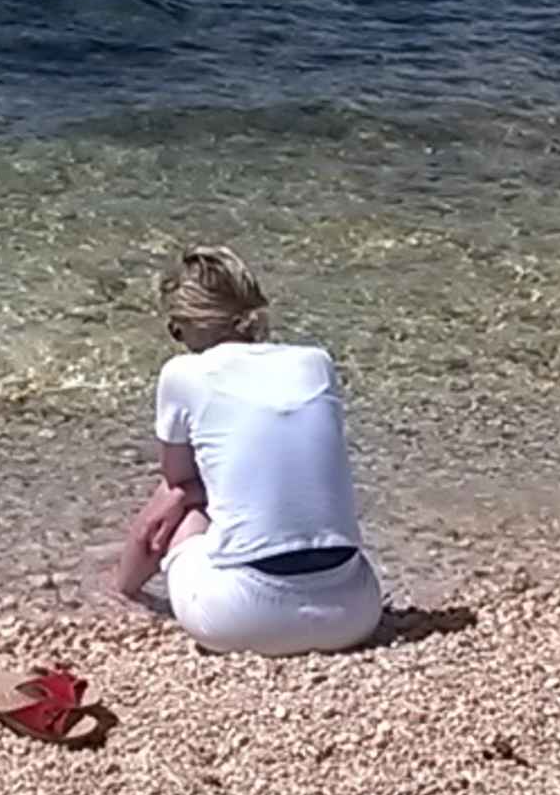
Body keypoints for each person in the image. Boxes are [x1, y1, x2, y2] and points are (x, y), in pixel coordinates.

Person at [109, 247, 382, 654]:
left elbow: (176, 485)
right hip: (356, 612)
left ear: (183, 325)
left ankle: (121, 593)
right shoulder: (316, 362)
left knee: (184, 505)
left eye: (176, 330)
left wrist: (126, 579)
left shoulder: (183, 373)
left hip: (243, 618)